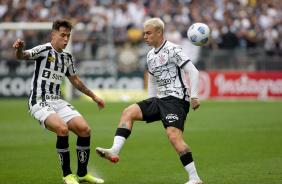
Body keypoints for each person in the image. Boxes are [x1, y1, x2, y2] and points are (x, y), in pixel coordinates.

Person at [95, 18, 203, 184]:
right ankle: (115, 151)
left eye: (148, 33)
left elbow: (192, 71)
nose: (144, 36)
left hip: (176, 99)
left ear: (159, 32)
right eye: (144, 33)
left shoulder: (173, 49)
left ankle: (195, 178)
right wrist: (152, 101)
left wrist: (194, 96)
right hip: (159, 100)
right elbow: (152, 81)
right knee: (128, 112)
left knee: (173, 136)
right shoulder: (150, 55)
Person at [12, 19, 105, 184]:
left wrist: (94, 96)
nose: (66, 39)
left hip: (57, 101)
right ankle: (67, 175)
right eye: (62, 35)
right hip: (39, 100)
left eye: (68, 36)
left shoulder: (67, 57)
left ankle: (82, 174)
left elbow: (75, 80)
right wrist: (19, 49)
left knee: (85, 130)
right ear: (53, 35)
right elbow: (23, 56)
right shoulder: (43, 50)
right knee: (62, 129)